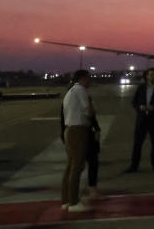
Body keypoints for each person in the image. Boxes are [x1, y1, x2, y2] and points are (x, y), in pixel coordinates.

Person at [61, 70, 93, 212]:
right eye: (88, 78)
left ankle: (66, 200)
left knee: (70, 166)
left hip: (69, 129)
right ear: (82, 78)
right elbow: (87, 111)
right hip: (78, 130)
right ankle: (73, 202)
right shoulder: (80, 90)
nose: (90, 81)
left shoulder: (70, 91)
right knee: (77, 166)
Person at [128, 68, 154, 172]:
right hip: (142, 119)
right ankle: (134, 166)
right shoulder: (141, 88)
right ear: (147, 76)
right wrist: (139, 107)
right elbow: (134, 102)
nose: (152, 77)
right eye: (150, 75)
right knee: (137, 144)